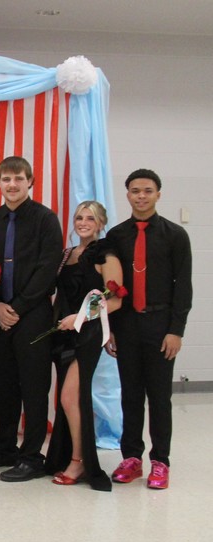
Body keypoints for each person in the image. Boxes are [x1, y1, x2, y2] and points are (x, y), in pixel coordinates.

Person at [0, 156, 63, 482]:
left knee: (34, 386)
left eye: (18, 179)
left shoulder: (45, 219)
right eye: (6, 179)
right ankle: (6, 448)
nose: (12, 185)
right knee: (5, 386)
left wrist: (19, 307)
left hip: (33, 315)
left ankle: (31, 456)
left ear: (31, 182)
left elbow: (47, 266)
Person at [106, 169, 192, 489]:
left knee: (158, 396)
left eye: (148, 190)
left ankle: (160, 461)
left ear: (158, 194)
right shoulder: (116, 236)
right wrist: (110, 329)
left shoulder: (174, 236)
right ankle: (131, 457)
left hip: (160, 325)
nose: (141, 196)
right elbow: (109, 286)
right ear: (127, 194)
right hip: (126, 323)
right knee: (130, 394)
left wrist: (176, 330)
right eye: (135, 191)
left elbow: (183, 286)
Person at [45, 201, 124, 492]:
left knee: (69, 398)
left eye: (90, 218)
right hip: (63, 334)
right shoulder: (67, 255)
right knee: (70, 399)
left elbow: (115, 299)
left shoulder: (106, 253)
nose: (83, 222)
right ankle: (67, 455)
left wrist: (80, 317)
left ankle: (79, 461)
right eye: (79, 217)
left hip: (87, 334)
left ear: (101, 223)